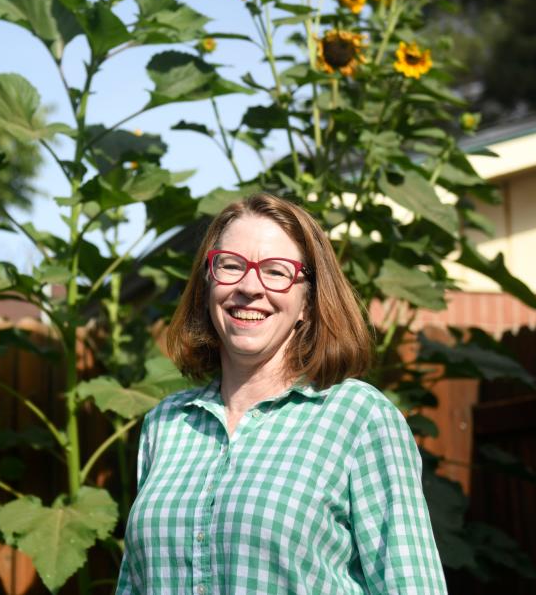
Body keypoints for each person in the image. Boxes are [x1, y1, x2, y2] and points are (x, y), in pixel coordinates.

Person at [116, 193, 447, 594]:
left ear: (307, 301)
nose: (249, 287)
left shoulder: (358, 418)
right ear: (207, 285)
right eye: (231, 266)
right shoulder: (166, 424)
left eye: (276, 272)